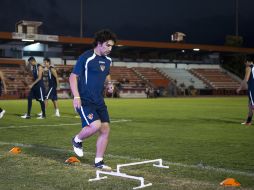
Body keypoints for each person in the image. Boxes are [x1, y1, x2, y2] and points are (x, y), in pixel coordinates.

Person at [69, 29, 117, 170]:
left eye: (112, 46)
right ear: (99, 43)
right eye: (108, 45)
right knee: (95, 125)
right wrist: (76, 96)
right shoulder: (86, 57)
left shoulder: (108, 60)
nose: (110, 48)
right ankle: (77, 140)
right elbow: (73, 77)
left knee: (105, 129)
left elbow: (106, 74)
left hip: (99, 101)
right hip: (84, 100)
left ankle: (99, 161)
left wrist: (109, 85)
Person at [236, 57, 254, 125]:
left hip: (252, 89)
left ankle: (248, 121)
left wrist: (240, 88)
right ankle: (248, 121)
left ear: (248, 62)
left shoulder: (249, 67)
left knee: (252, 106)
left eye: (245, 63)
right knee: (250, 106)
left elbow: (245, 79)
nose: (245, 64)